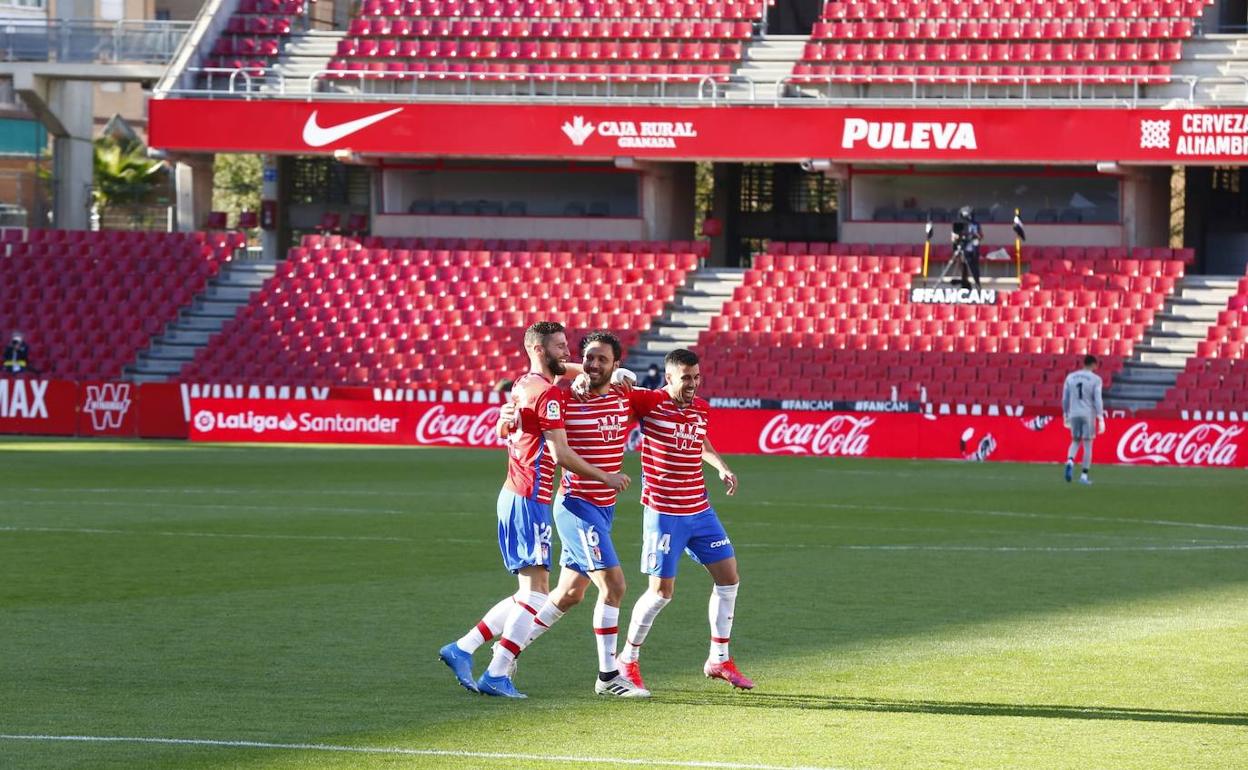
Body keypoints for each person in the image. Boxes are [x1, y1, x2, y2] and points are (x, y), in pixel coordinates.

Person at [438, 321, 630, 699]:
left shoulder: (523, 383)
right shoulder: (549, 395)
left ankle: (463, 649)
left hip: (516, 494)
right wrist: (605, 476)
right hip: (530, 497)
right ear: (541, 350)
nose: (568, 355)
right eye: (560, 347)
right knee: (536, 595)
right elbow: (560, 454)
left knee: (536, 593)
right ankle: (493, 672)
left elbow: (506, 430)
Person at [502, 331, 650, 697]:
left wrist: (625, 375)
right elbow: (527, 415)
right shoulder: (565, 398)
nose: (594, 365)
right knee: (614, 586)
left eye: (603, 359)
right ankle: (608, 678)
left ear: (616, 364)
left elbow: (666, 400)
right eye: (589, 359)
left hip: (603, 509)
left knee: (568, 594)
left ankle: (504, 657)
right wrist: (507, 415)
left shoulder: (625, 395)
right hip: (576, 506)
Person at [617, 348, 754, 691]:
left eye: (696, 378)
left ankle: (719, 659)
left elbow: (699, 439)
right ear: (668, 379)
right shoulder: (649, 402)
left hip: (700, 509)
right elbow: (607, 391)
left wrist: (721, 466)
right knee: (661, 593)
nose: (692, 384)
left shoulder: (701, 408)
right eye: (685, 379)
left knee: (729, 577)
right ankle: (626, 660)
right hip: (664, 512)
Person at [1062, 354, 1105, 485]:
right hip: (1088, 414)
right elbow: (1098, 399)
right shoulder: (1096, 379)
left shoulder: (1070, 377)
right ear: (1093, 364)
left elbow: (1065, 398)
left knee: (1075, 441)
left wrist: (1065, 414)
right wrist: (1101, 417)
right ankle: (1084, 476)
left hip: (1074, 413)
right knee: (1087, 445)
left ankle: (1070, 460)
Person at [951, 205, 983, 291]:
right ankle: (964, 285)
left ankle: (977, 285)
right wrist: (957, 238)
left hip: (973, 250)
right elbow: (954, 238)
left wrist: (973, 236)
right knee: (963, 268)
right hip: (962, 250)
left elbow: (980, 236)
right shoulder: (959, 224)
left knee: (974, 268)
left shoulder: (976, 224)